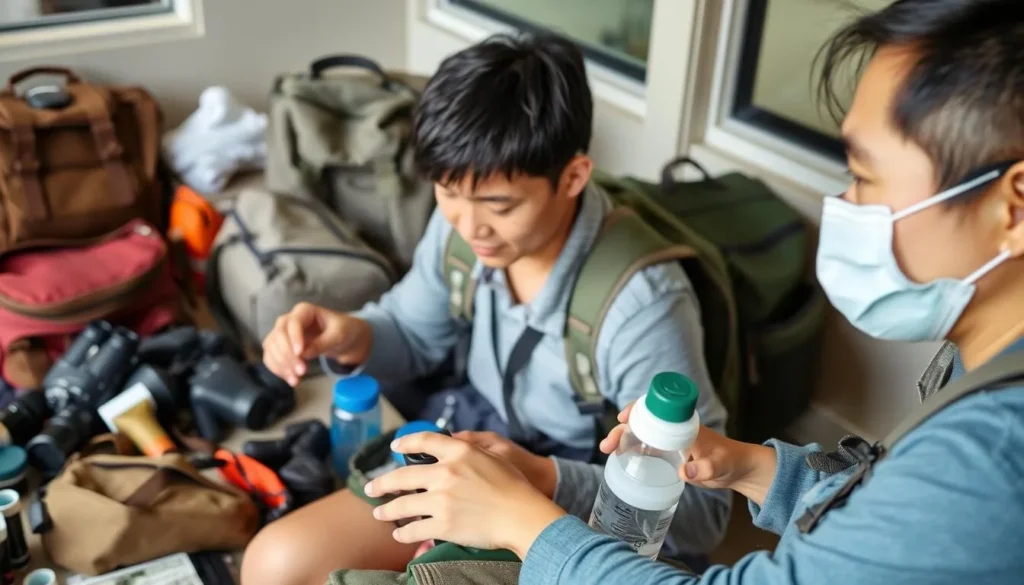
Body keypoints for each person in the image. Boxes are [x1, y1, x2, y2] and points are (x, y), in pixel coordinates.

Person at [363, 1, 1024, 583]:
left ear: (1013, 207)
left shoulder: (986, 462)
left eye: (863, 177)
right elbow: (877, 508)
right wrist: (752, 466)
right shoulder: (977, 372)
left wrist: (527, 520)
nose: (841, 205)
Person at [240, 33, 729, 585]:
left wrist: (543, 477)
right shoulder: (466, 228)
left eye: (500, 205)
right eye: (447, 192)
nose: (470, 226)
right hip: (475, 440)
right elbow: (411, 331)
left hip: (574, 498)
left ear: (572, 177)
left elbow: (706, 515)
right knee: (275, 563)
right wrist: (349, 334)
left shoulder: (643, 307)